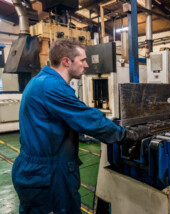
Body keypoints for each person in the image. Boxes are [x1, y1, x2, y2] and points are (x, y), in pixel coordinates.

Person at [11, 39, 137, 214]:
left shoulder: (41, 81)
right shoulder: (51, 86)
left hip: (41, 170)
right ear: (66, 61)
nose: (86, 65)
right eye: (82, 60)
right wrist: (124, 135)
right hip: (48, 175)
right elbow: (87, 119)